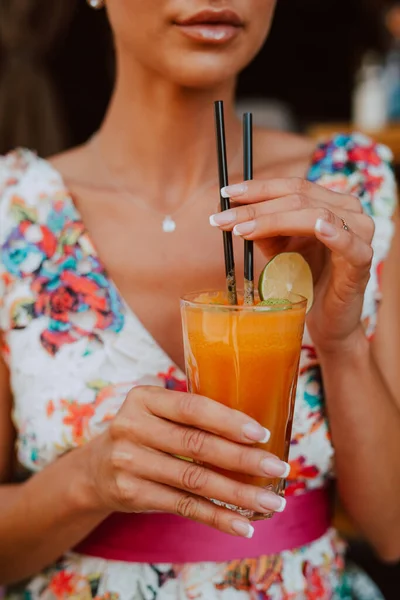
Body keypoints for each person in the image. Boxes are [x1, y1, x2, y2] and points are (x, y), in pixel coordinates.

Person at [0, 1, 399, 598]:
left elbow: (391, 530)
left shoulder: (349, 192)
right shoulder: (13, 216)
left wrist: (339, 338)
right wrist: (88, 480)